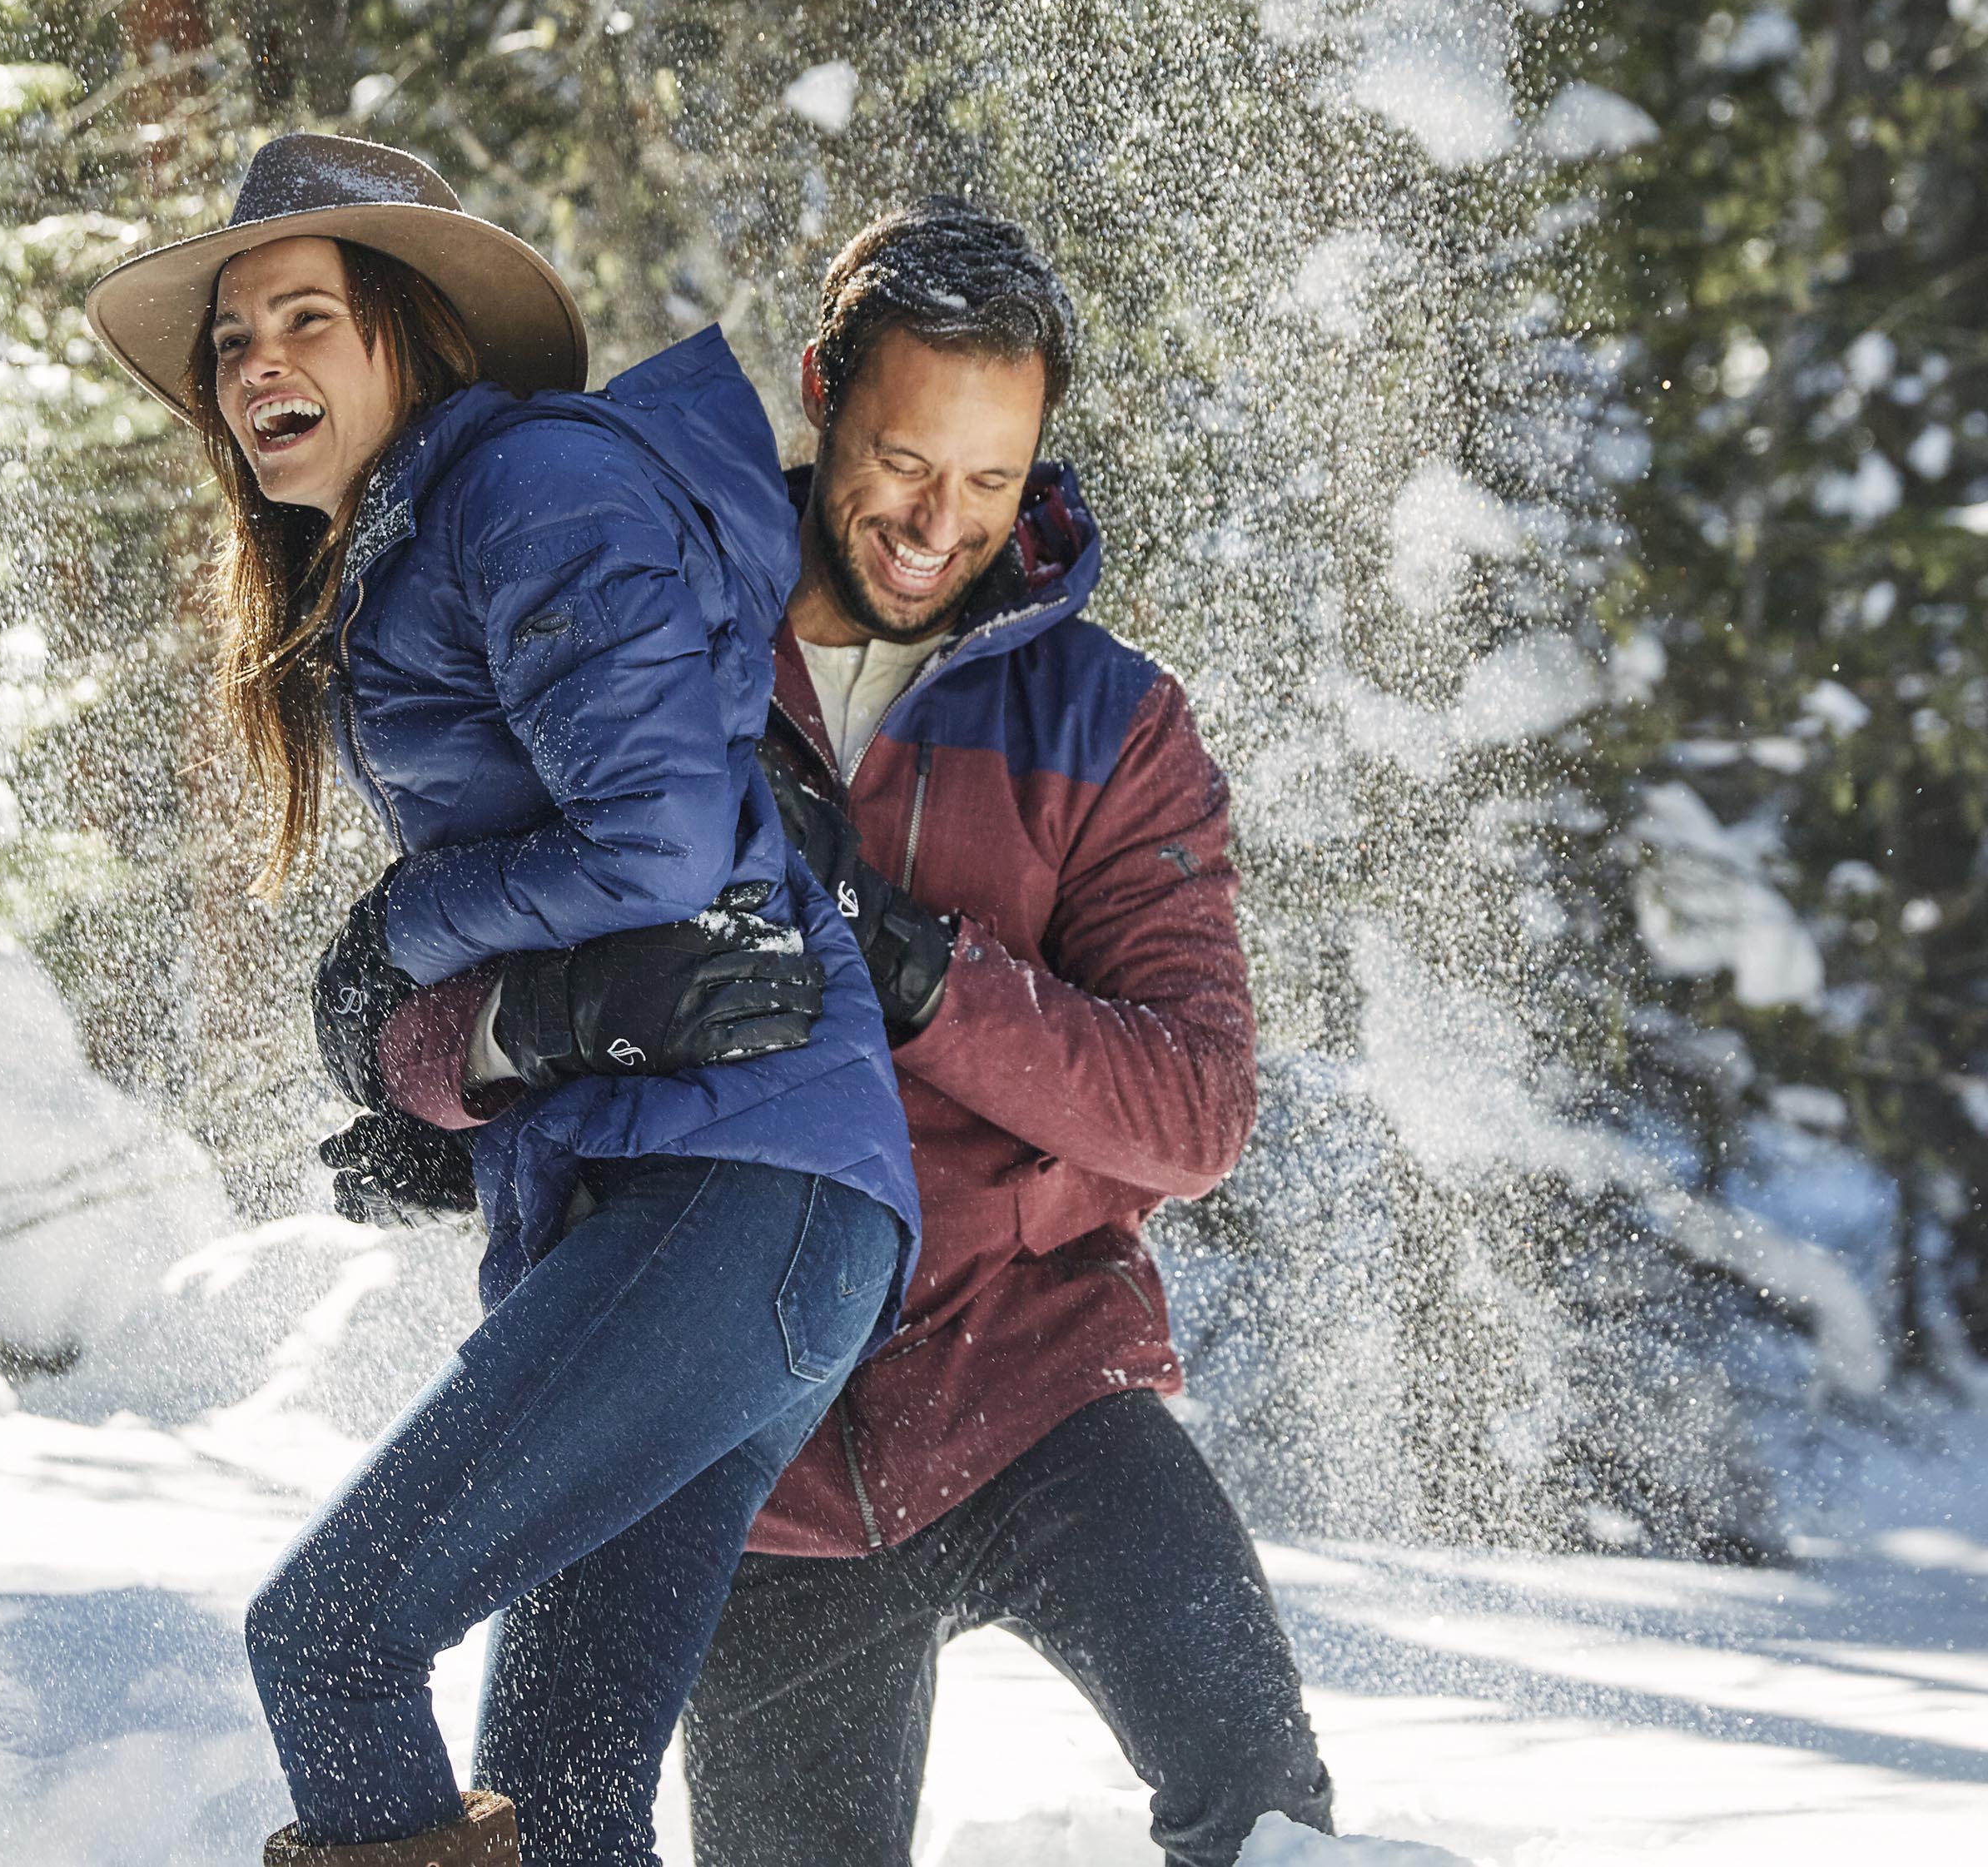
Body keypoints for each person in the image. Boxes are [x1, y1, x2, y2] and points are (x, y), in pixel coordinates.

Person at [365, 197, 1334, 1867]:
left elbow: (1192, 1105)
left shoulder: (1107, 723)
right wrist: (519, 1041)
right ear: (819, 389)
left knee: (1265, 1809)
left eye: (990, 480)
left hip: (1032, 1378)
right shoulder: (648, 652)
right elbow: (414, 1007)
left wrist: (916, 971)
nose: (932, 522)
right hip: (745, 1442)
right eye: (900, 459)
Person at [85, 134, 921, 1867]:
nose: (256, 366)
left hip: (739, 1191)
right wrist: (460, 1081)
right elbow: (603, 933)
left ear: (415, 333)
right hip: (728, 1205)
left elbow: (659, 841)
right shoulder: (420, 538)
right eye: (229, 339)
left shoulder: (520, 488)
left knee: (326, 1638)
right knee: (556, 1807)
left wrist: (401, 928)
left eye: (304, 317)